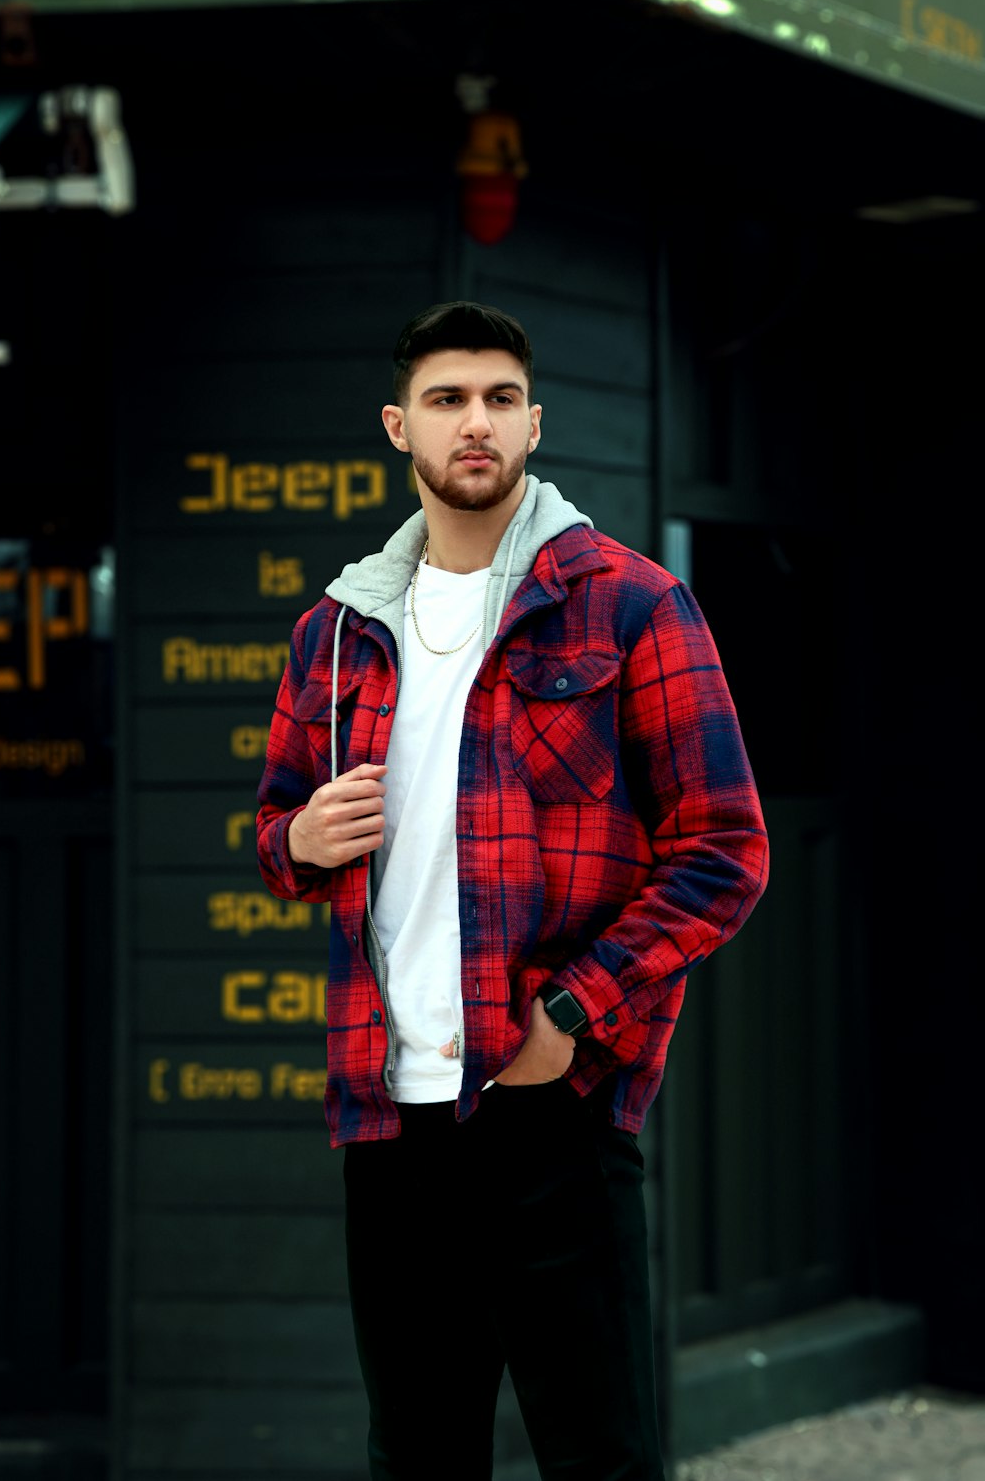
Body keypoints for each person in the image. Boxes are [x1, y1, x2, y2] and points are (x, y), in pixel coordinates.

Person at [256, 301, 769, 1481]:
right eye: (446, 400)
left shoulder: (630, 603)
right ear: (399, 428)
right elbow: (276, 838)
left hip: (551, 1109)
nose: (473, 422)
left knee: (597, 1453)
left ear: (533, 423)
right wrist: (303, 835)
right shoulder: (336, 635)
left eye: (497, 399)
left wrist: (570, 1019)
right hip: (390, 1118)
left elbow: (723, 850)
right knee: (419, 1454)